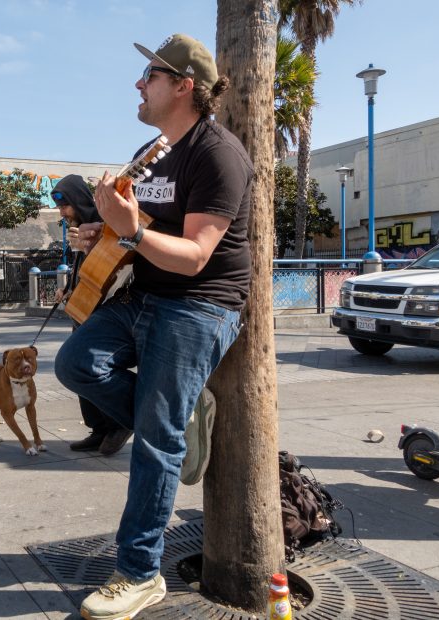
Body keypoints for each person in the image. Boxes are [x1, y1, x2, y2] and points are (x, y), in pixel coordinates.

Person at [54, 34, 253, 620]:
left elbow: (193, 254)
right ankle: (174, 414)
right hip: (146, 293)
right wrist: (102, 233)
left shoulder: (217, 154)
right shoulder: (154, 150)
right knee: (75, 364)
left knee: (156, 445)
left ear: (184, 85)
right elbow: (135, 226)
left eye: (150, 75)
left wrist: (132, 231)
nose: (139, 84)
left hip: (200, 304)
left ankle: (140, 575)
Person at [51, 175, 133, 456]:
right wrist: (69, 288)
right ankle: (98, 428)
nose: (62, 213)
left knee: (91, 366)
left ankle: (118, 422)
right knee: (78, 368)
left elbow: (113, 258)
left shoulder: (101, 220)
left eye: (65, 206)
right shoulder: (77, 226)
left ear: (76, 199)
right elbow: (84, 267)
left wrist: (88, 245)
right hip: (84, 304)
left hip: (106, 306)